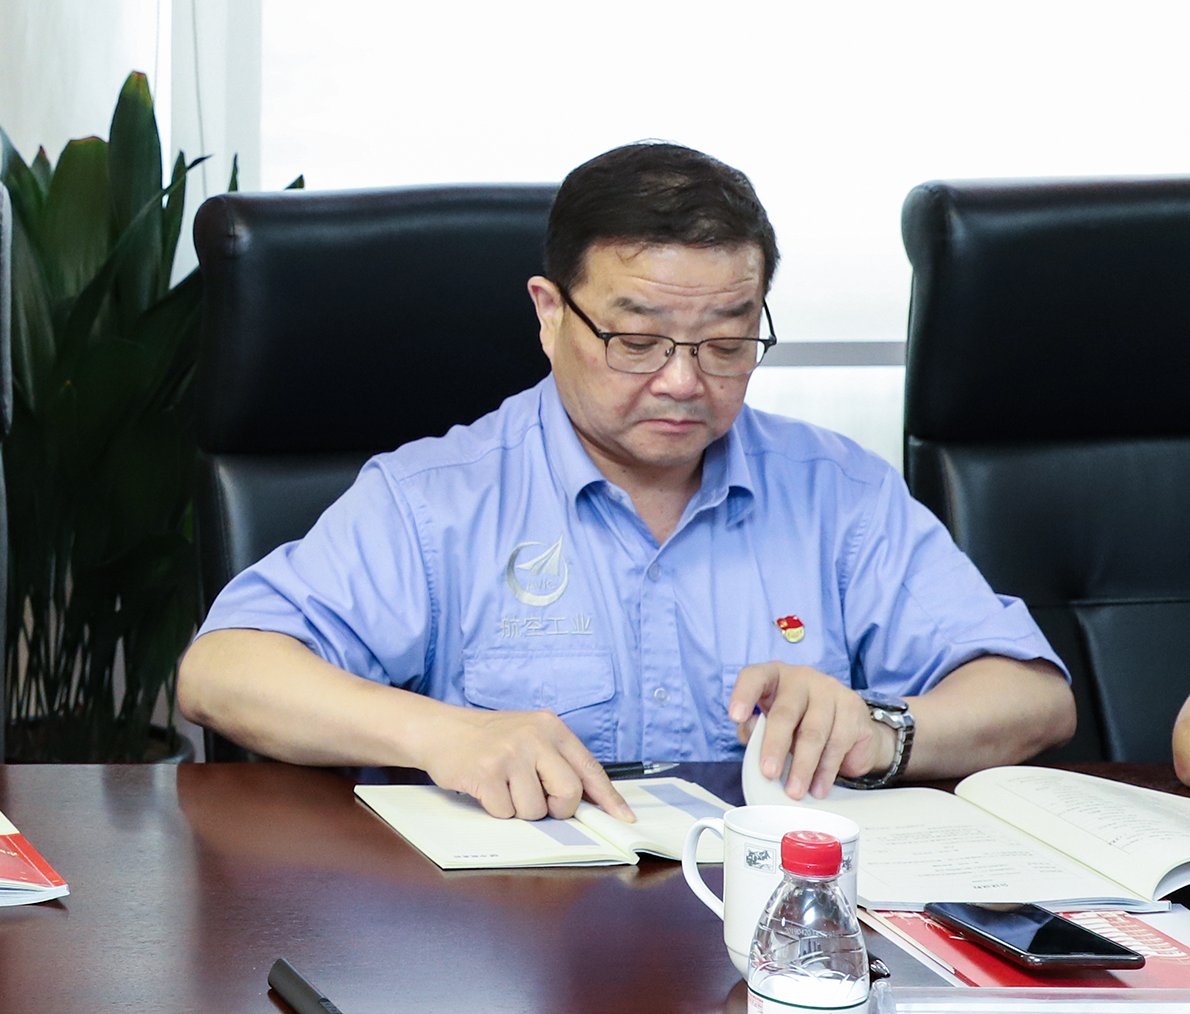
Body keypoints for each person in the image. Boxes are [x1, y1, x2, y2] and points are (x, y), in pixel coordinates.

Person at [177, 142, 1073, 822]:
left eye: (727, 343)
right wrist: (442, 733)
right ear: (550, 314)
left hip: (771, 939)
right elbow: (223, 671)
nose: (684, 381)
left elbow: (1033, 698)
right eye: (636, 341)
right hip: (508, 947)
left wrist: (880, 730)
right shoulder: (438, 500)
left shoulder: (837, 493)